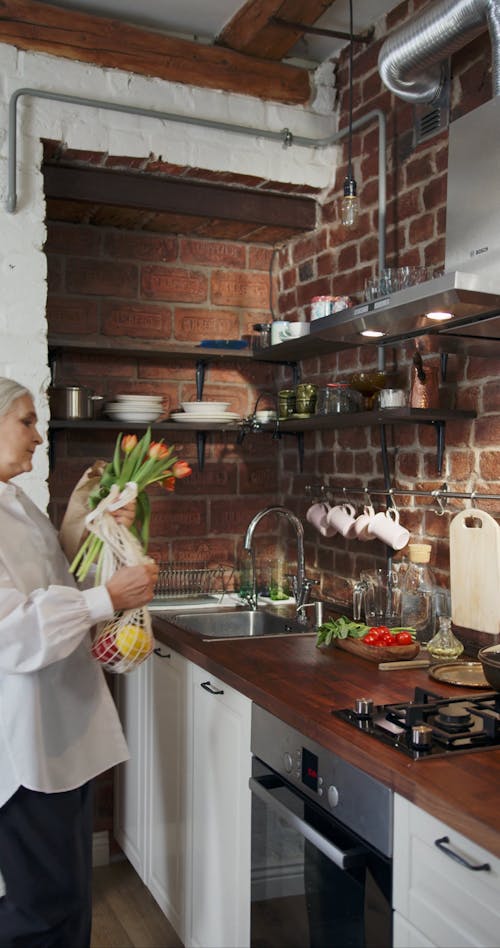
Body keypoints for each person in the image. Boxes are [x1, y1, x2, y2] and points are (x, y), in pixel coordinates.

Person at [0, 377, 159, 947]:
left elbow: (53, 576)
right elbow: (12, 631)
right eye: (25, 421)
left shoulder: (11, 500)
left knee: (67, 898)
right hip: (25, 749)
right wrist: (108, 598)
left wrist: (88, 516)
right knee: (41, 910)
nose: (38, 437)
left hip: (60, 733)